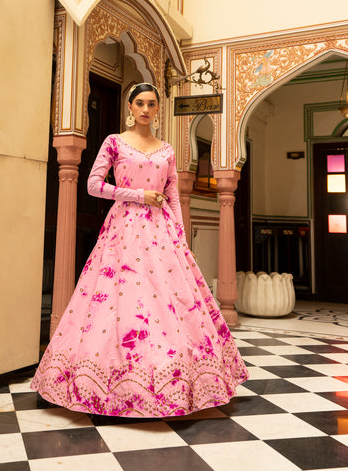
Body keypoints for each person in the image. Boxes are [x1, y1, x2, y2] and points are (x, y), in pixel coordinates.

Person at [31, 82, 249, 417]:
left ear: (157, 109)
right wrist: (138, 195)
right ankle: (105, 384)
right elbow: (93, 185)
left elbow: (174, 193)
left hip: (162, 234)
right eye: (139, 103)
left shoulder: (167, 150)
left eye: (151, 104)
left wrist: (179, 235)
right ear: (129, 108)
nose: (145, 109)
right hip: (123, 231)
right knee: (121, 301)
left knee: (166, 304)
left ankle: (174, 382)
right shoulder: (115, 142)